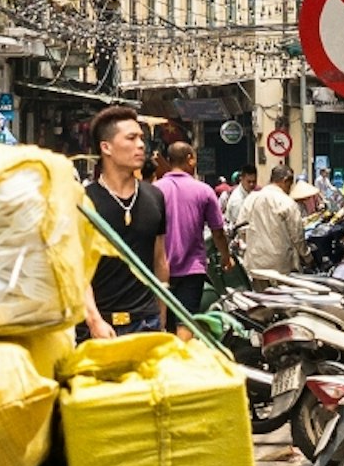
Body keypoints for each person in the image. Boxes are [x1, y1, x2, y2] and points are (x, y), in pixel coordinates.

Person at [80, 105, 167, 332]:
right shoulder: (84, 202)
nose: (140, 145)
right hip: (99, 325)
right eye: (131, 138)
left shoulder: (154, 196)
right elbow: (76, 269)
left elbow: (160, 259)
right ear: (106, 147)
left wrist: (162, 314)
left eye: (141, 138)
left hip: (147, 321)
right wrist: (94, 319)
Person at [155, 138, 224, 287]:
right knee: (189, 311)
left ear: (169, 160)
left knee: (163, 311)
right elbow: (217, 232)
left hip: (159, 269)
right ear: (190, 159)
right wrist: (226, 257)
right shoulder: (204, 191)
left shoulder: (154, 190)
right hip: (192, 271)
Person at [234, 163, 307, 278]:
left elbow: (241, 229)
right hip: (281, 267)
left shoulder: (251, 199)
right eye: (290, 185)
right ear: (285, 180)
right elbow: (297, 236)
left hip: (255, 265)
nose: (289, 189)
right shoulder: (287, 202)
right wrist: (308, 257)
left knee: (259, 295)